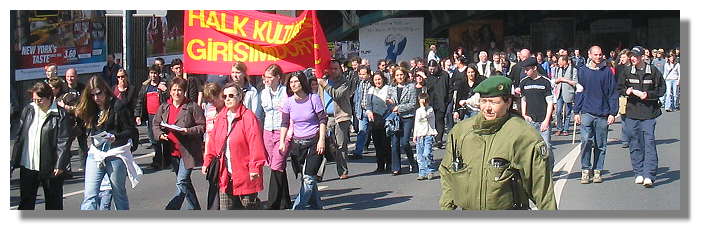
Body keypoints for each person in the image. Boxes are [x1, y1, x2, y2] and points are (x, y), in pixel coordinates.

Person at [439, 75, 556, 210]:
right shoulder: (461, 131)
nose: (487, 108)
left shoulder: (524, 136)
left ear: (508, 103)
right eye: (484, 101)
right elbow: (447, 172)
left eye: (493, 102)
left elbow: (542, 187)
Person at [76, 75, 141, 210]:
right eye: (92, 95)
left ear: (105, 90)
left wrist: (115, 137)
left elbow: (131, 131)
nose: (96, 98)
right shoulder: (92, 107)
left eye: (98, 94)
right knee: (90, 195)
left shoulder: (118, 106)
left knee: (119, 194)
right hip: (96, 153)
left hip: (115, 154)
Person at [202, 82, 266, 210]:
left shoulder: (248, 117)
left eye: (231, 96)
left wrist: (255, 167)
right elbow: (213, 142)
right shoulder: (221, 117)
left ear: (240, 96)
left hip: (244, 173)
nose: (227, 99)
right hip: (225, 173)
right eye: (225, 96)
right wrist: (207, 161)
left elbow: (256, 144)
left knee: (249, 208)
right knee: (226, 208)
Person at [11, 82, 72, 210]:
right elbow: (20, 137)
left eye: (39, 100)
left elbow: (63, 141)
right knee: (26, 203)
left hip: (50, 167)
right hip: (28, 165)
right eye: (34, 99)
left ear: (50, 97)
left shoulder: (60, 114)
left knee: (53, 204)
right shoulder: (29, 109)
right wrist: (13, 161)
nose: (36, 103)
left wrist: (60, 164)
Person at [617, 46, 666, 188]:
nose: (633, 58)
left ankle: (649, 175)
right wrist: (627, 91)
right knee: (635, 142)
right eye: (631, 56)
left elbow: (662, 89)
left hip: (649, 113)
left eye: (636, 56)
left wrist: (648, 95)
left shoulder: (653, 71)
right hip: (632, 113)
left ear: (642, 57)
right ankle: (638, 172)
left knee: (649, 142)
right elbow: (618, 87)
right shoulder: (626, 71)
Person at [152, 78, 205, 210]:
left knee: (181, 181)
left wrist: (188, 130)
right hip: (172, 151)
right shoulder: (164, 107)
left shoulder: (192, 106)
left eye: (180, 90)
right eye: (174, 90)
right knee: (185, 183)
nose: (177, 93)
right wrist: (160, 134)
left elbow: (202, 126)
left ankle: (171, 209)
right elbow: (155, 124)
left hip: (188, 152)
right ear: (170, 91)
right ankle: (195, 209)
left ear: (184, 91)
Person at [280, 71, 327, 209]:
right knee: (306, 179)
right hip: (297, 144)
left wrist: (322, 140)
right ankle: (317, 207)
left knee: (308, 178)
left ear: (302, 82)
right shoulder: (288, 102)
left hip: (314, 142)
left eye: (296, 81)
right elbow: (284, 123)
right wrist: (282, 141)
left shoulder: (313, 98)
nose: (294, 85)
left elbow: (322, 119)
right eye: (291, 82)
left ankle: (297, 209)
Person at [573, 45, 619, 184]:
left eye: (600, 54)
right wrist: (576, 111)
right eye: (595, 54)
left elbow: (612, 92)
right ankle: (585, 170)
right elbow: (579, 91)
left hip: (603, 113)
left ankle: (598, 170)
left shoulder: (607, 72)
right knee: (586, 141)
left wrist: (613, 113)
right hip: (587, 112)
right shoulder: (583, 71)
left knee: (600, 145)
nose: (598, 57)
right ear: (589, 55)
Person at [259, 64, 292, 210]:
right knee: (276, 165)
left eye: (270, 77)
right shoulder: (263, 93)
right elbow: (261, 114)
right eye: (265, 77)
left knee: (277, 165)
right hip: (267, 130)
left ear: (278, 77)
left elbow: (291, 113)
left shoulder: (286, 92)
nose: (267, 80)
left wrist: (290, 133)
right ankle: (284, 200)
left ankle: (272, 202)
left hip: (282, 130)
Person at [317, 59, 353, 180]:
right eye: (331, 68)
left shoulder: (344, 82)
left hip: (341, 116)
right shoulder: (323, 81)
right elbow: (319, 98)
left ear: (340, 69)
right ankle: (318, 173)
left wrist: (325, 85)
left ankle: (342, 170)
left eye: (335, 68)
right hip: (326, 117)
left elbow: (337, 95)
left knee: (340, 145)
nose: (333, 71)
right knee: (323, 145)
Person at [519, 57, 555, 166]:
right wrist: (524, 114)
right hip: (530, 120)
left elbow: (550, 103)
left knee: (547, 146)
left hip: (543, 120)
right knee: (530, 148)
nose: (525, 72)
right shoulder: (524, 82)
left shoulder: (545, 82)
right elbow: (523, 99)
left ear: (534, 68)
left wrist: (546, 120)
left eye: (527, 69)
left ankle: (550, 169)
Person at [135, 65, 169, 169]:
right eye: (151, 73)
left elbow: (170, 98)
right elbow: (140, 101)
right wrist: (138, 115)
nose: (153, 75)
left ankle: (167, 161)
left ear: (158, 74)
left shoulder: (163, 85)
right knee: (154, 139)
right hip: (150, 116)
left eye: (155, 73)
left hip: (162, 116)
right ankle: (157, 160)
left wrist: (165, 90)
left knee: (164, 138)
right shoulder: (146, 87)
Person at [56, 68, 88, 172]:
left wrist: (68, 107)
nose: (70, 78)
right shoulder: (62, 89)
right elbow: (58, 101)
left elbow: (83, 105)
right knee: (66, 145)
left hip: (80, 120)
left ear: (76, 77)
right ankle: (66, 168)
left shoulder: (82, 88)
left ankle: (84, 166)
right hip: (66, 121)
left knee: (82, 143)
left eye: (72, 76)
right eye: (68, 76)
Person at [388, 67, 418, 175]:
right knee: (394, 143)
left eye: (401, 75)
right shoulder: (391, 87)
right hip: (395, 118)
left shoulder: (411, 87)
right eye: (397, 75)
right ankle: (396, 167)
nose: (399, 77)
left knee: (405, 142)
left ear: (405, 75)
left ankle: (412, 162)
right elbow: (388, 100)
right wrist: (391, 105)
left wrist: (399, 108)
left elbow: (412, 104)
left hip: (407, 117)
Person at [201, 82, 225, 210]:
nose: (212, 103)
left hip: (226, 154)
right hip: (213, 153)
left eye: (213, 99)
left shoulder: (229, 109)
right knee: (213, 183)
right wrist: (206, 160)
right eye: (209, 100)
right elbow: (208, 136)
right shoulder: (210, 110)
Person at [365, 71, 392, 173]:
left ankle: (389, 164)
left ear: (383, 79)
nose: (377, 81)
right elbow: (368, 105)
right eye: (375, 79)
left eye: (379, 79)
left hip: (386, 118)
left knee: (386, 143)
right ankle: (380, 165)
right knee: (377, 143)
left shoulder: (388, 89)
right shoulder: (371, 90)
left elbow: (391, 103)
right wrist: (369, 112)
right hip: (374, 120)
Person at [425, 60, 451, 148]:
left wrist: (447, 100)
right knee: (432, 120)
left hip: (441, 101)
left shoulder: (444, 75)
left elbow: (449, 88)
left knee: (439, 120)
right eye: (430, 69)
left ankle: (439, 139)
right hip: (431, 101)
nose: (432, 71)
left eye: (433, 69)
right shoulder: (429, 76)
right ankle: (434, 138)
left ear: (437, 67)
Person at [413, 93, 438, 181]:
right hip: (420, 135)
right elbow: (416, 123)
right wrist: (415, 135)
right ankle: (422, 172)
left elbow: (425, 116)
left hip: (428, 135)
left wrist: (424, 106)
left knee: (427, 153)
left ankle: (430, 170)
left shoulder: (430, 110)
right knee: (420, 156)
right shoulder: (418, 111)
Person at [551, 55, 578, 136]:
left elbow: (575, 82)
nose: (558, 63)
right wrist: (557, 81)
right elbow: (555, 80)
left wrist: (564, 80)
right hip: (559, 92)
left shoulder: (573, 70)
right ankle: (559, 128)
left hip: (569, 93)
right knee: (558, 111)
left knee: (567, 113)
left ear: (564, 61)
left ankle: (565, 129)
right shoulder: (557, 69)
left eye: (559, 61)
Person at [352, 65, 373, 160]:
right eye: (360, 74)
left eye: (364, 74)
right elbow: (357, 98)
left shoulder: (372, 83)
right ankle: (358, 152)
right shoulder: (359, 84)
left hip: (372, 111)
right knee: (361, 131)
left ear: (368, 74)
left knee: (376, 133)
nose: (362, 76)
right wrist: (357, 110)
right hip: (362, 110)